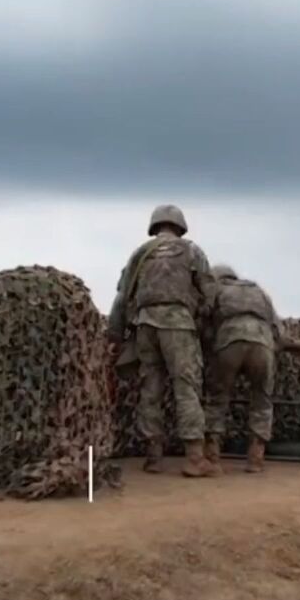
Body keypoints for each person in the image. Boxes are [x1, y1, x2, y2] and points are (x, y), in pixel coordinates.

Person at [107, 204, 219, 477]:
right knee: (186, 387)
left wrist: (115, 335)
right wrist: (202, 316)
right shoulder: (192, 251)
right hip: (178, 324)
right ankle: (194, 458)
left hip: (144, 326)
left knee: (150, 388)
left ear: (154, 226)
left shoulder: (140, 254)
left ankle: (153, 456)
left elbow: (122, 297)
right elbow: (210, 291)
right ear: (180, 227)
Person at [201, 264, 281, 474]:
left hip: (229, 342)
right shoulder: (258, 291)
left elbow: (204, 324)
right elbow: (279, 330)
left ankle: (212, 455)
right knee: (262, 399)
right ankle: (256, 457)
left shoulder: (216, 291)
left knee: (218, 397)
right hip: (263, 344)